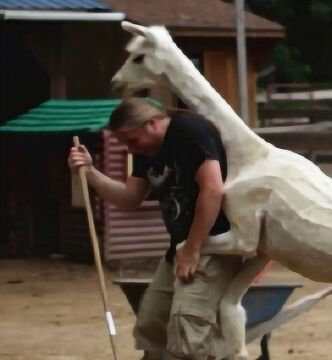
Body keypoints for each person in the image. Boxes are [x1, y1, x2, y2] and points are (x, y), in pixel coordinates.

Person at [68, 97, 242, 360]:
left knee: (188, 331)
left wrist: (193, 249)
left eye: (132, 141)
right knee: (151, 323)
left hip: (214, 245)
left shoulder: (189, 131)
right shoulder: (146, 151)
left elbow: (213, 189)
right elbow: (129, 198)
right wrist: (90, 172)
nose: (130, 149)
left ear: (152, 124)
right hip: (180, 249)